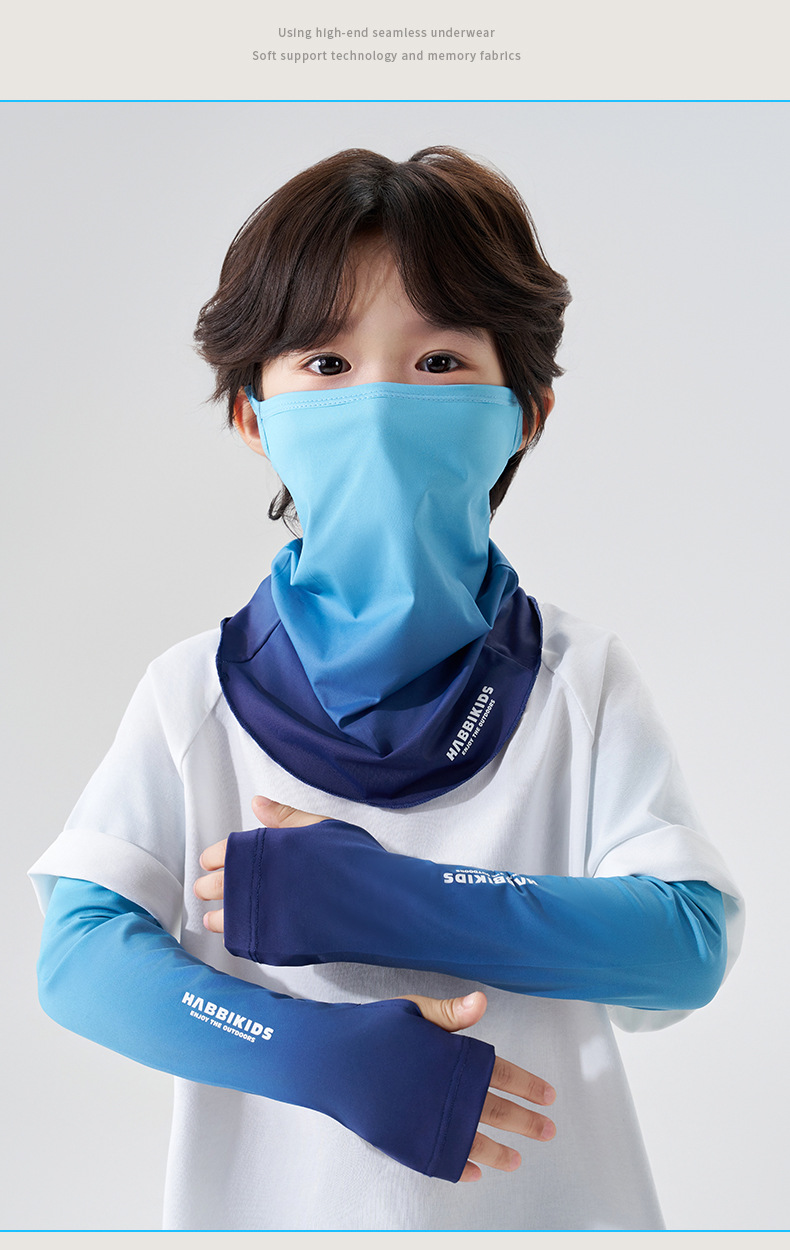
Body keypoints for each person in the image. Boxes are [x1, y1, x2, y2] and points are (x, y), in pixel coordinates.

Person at [29, 146, 743, 1231]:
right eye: (325, 361)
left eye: (440, 361)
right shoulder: (195, 695)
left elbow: (682, 946)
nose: (379, 404)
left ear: (527, 411)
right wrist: (317, 1052)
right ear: (252, 416)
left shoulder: (576, 681)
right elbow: (81, 955)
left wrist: (386, 900)